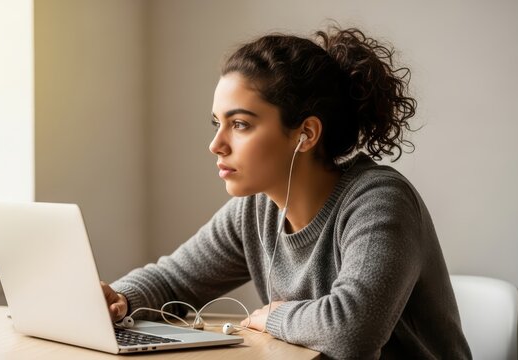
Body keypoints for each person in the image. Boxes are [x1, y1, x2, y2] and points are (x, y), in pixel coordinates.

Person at [101, 25, 472, 359]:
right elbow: (174, 280)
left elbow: (352, 331)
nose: (216, 144)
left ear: (305, 134)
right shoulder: (255, 210)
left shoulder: (379, 201)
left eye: (240, 124)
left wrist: (276, 316)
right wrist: (120, 298)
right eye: (217, 123)